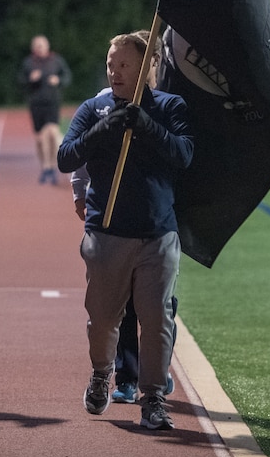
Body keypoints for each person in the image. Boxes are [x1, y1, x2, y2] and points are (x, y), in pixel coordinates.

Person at [57, 32, 193, 431]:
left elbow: (184, 155)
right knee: (102, 319)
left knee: (157, 319)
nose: (115, 72)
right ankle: (102, 373)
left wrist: (146, 125)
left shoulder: (170, 106)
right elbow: (66, 158)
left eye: (123, 65)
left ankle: (153, 397)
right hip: (106, 234)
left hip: (157, 235)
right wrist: (104, 129)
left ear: (146, 65)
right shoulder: (93, 108)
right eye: (110, 65)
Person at [18, 34, 72, 185]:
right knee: (40, 138)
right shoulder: (29, 63)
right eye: (37, 46)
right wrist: (30, 79)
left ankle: (52, 166)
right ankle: (45, 166)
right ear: (33, 48)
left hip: (52, 102)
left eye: (42, 45)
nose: (40, 48)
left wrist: (58, 80)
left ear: (47, 46)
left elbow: (67, 76)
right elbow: (20, 81)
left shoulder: (56, 60)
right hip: (36, 104)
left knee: (53, 133)